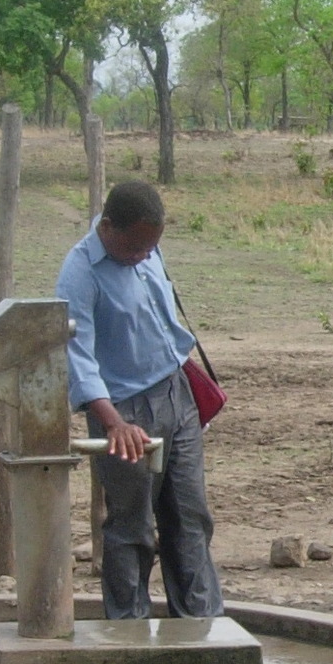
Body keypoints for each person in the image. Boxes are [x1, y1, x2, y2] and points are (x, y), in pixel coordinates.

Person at [56, 179, 224, 621]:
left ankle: (200, 625)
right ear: (107, 228)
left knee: (190, 517)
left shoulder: (146, 248)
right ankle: (127, 631)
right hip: (124, 410)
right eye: (134, 249)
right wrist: (112, 423)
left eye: (151, 249)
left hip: (176, 394)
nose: (143, 257)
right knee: (132, 527)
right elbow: (77, 355)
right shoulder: (80, 272)